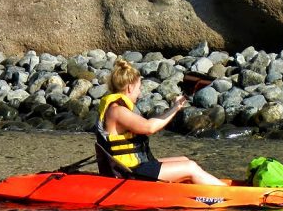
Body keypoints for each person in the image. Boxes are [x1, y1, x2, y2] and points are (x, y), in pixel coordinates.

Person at [95, 59, 225, 185]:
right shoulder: (117, 111)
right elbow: (149, 127)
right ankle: (226, 194)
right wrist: (175, 109)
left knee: (185, 160)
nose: (139, 93)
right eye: (139, 88)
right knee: (190, 167)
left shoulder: (118, 109)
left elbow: (150, 124)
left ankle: (201, 190)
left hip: (136, 167)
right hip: (128, 173)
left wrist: (175, 107)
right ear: (130, 88)